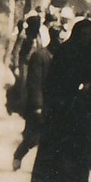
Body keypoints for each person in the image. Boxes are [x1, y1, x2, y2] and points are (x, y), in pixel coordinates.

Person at [31, 15, 91, 182]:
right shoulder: (65, 51)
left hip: (84, 107)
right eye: (82, 34)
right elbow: (55, 79)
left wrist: (89, 85)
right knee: (63, 149)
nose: (85, 38)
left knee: (82, 148)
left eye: (88, 35)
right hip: (64, 108)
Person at [10, 17, 52, 172]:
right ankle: (19, 154)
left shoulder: (40, 39)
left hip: (39, 65)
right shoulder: (24, 36)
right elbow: (17, 52)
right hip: (27, 65)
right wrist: (16, 66)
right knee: (33, 136)